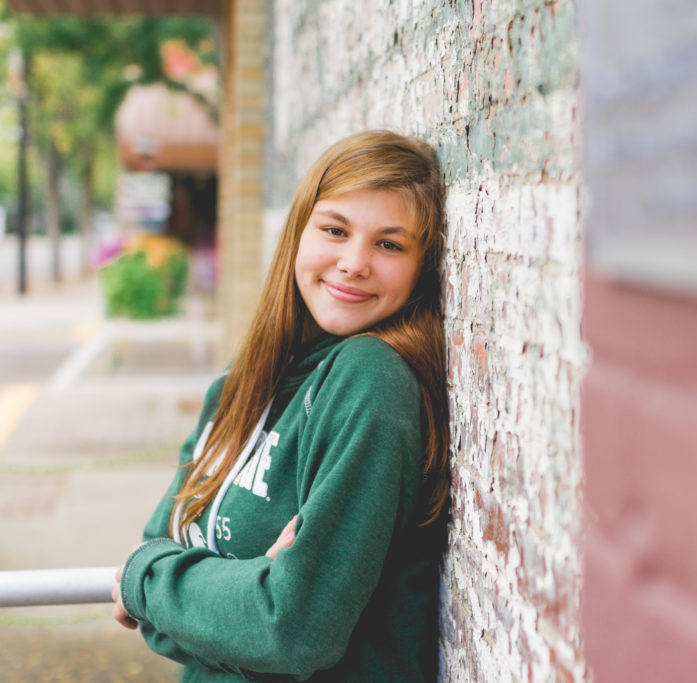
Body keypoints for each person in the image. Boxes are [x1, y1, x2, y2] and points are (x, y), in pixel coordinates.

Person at [112, 130, 450, 682]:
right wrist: (232, 597)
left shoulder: (370, 382)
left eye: (389, 244)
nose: (354, 262)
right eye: (335, 230)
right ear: (299, 232)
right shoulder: (240, 387)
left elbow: (290, 631)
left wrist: (157, 585)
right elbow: (157, 540)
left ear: (420, 270)